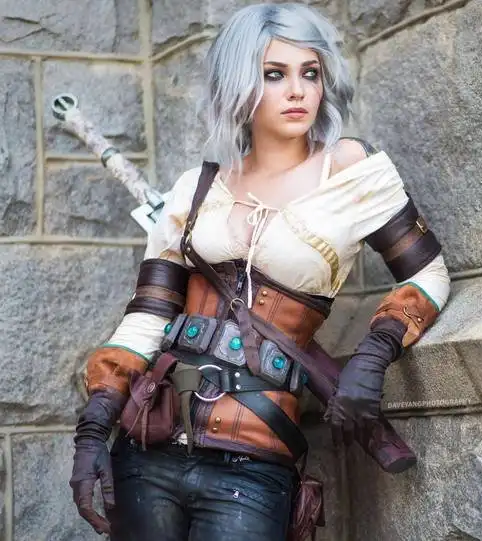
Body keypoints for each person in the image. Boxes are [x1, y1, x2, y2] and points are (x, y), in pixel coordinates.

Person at [68, 3, 450, 540]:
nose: (298, 91)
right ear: (239, 82)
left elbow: (428, 274)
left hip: (254, 459)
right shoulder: (197, 187)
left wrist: (374, 355)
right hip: (148, 445)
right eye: (275, 74)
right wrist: (94, 428)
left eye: (310, 73)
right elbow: (150, 316)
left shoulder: (350, 170)